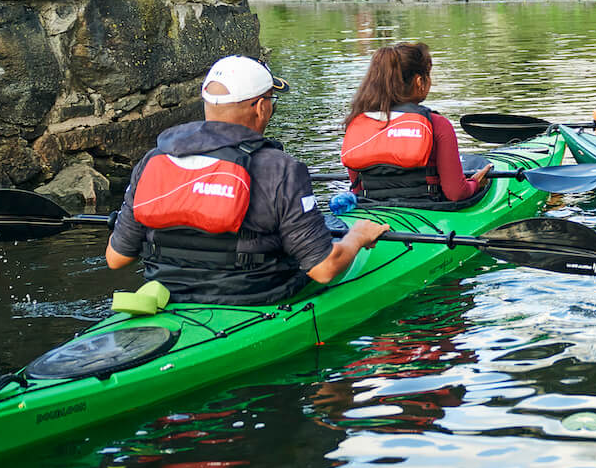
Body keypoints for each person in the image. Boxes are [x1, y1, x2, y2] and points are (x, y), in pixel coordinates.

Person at [105, 56, 388, 303]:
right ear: (260, 107)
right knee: (335, 233)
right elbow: (324, 269)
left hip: (167, 292)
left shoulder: (154, 160)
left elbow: (116, 258)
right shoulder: (282, 168)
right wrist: (358, 236)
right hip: (259, 295)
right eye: (270, 101)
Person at [341, 41, 492, 204]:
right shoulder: (438, 125)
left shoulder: (357, 123)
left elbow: (357, 190)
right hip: (427, 212)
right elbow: (455, 193)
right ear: (420, 81)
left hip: (373, 211)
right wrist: (475, 183)